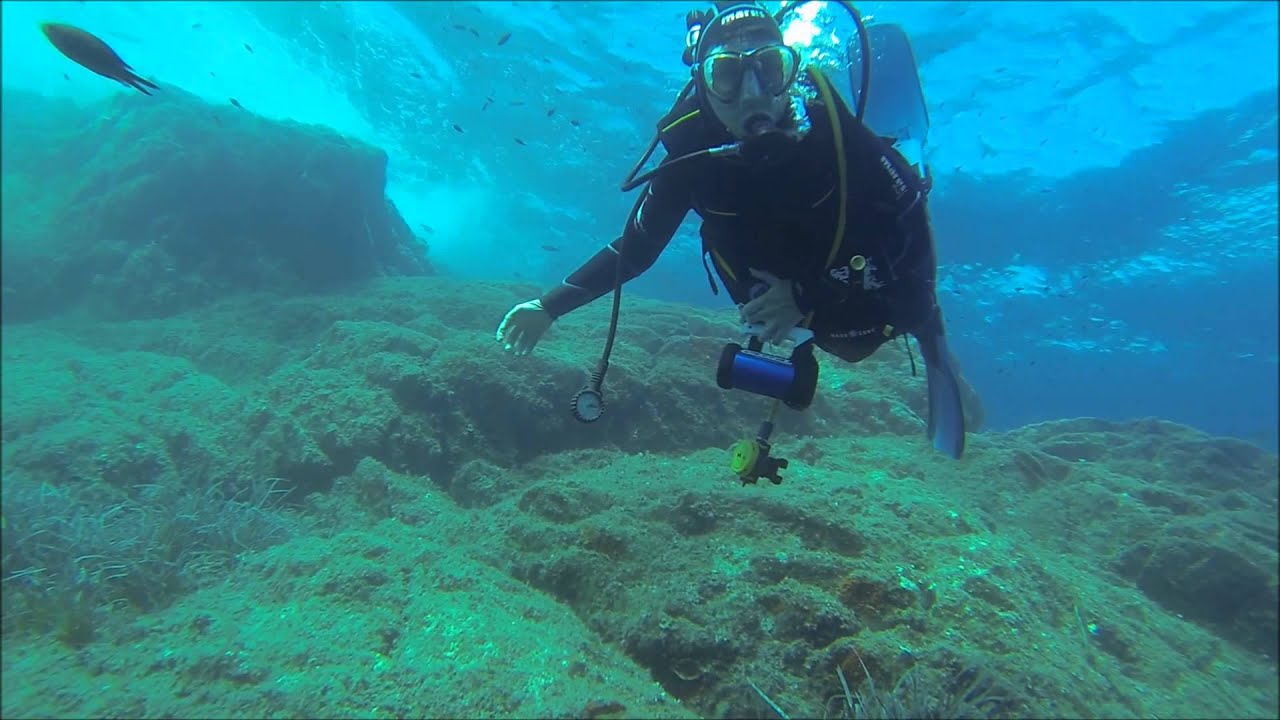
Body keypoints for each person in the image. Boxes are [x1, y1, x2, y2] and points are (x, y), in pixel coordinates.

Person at [496, 2, 966, 458]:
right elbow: (637, 249)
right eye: (726, 74)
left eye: (769, 67)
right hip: (765, 287)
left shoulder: (827, 127)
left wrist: (812, 297)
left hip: (846, 272)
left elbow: (907, 221)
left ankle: (930, 332)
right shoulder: (691, 148)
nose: (752, 93)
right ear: (703, 85)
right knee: (824, 338)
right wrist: (549, 306)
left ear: (791, 74)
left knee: (863, 339)